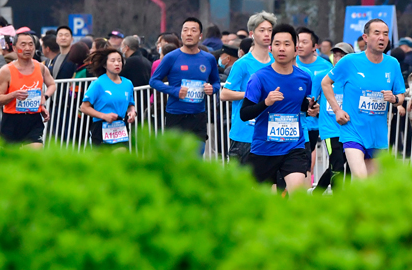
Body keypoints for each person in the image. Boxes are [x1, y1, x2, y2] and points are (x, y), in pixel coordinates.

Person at [321, 18, 405, 179]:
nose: (382, 38)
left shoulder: (392, 64)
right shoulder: (350, 61)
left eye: (385, 34)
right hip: (353, 130)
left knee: (371, 187)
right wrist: (337, 110)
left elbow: (401, 96)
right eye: (377, 33)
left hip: (378, 134)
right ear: (365, 38)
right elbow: (326, 83)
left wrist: (394, 98)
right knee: (360, 178)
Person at [239, 24, 317, 192]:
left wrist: (311, 107)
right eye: (277, 44)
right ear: (270, 48)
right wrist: (266, 102)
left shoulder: (304, 78)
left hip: (294, 146)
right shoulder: (258, 78)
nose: (282, 48)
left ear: (295, 49)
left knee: (298, 194)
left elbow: (301, 104)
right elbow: (244, 114)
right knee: (268, 202)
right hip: (264, 149)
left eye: (287, 44)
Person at [149, 17, 220, 152]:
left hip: (198, 116)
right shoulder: (172, 57)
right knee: (176, 162)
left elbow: (216, 82)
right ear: (181, 34)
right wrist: (174, 91)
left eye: (193, 31)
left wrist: (212, 89)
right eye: (185, 30)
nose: (189, 34)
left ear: (200, 36)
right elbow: (154, 81)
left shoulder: (208, 58)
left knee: (196, 159)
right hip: (176, 115)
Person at [221, 12, 276, 165]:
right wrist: (250, 94)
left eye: (270, 30)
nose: (266, 34)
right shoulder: (242, 64)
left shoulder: (277, 62)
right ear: (252, 34)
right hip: (244, 134)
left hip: (270, 133)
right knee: (241, 186)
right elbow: (224, 94)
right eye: (262, 30)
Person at [0, 32, 56, 148]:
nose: (28, 48)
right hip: (11, 121)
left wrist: (45, 97)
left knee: (36, 152)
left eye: (31, 44)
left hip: (33, 120)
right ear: (14, 48)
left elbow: (52, 84)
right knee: (10, 160)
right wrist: (13, 95)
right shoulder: (6, 71)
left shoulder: (41, 67)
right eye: (23, 45)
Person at [313, 41, 353, 187]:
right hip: (330, 129)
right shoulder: (323, 77)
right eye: (335, 55)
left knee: (346, 165)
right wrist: (312, 106)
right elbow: (312, 98)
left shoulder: (355, 78)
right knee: (337, 165)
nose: (338, 59)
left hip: (350, 129)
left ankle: (317, 194)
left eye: (342, 56)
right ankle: (338, 202)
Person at [80, 48, 137, 149]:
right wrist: (104, 116)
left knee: (120, 158)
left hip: (121, 127)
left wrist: (132, 112)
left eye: (119, 60)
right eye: (113, 60)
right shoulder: (98, 83)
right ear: (105, 64)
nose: (117, 64)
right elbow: (84, 107)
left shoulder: (128, 83)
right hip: (101, 127)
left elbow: (130, 104)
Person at [296, 27, 333, 165]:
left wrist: (319, 108)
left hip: (316, 123)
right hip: (294, 121)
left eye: (304, 42)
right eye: (297, 41)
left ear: (314, 46)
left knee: (307, 163)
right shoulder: (290, 64)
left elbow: (331, 94)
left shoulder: (325, 67)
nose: (299, 45)